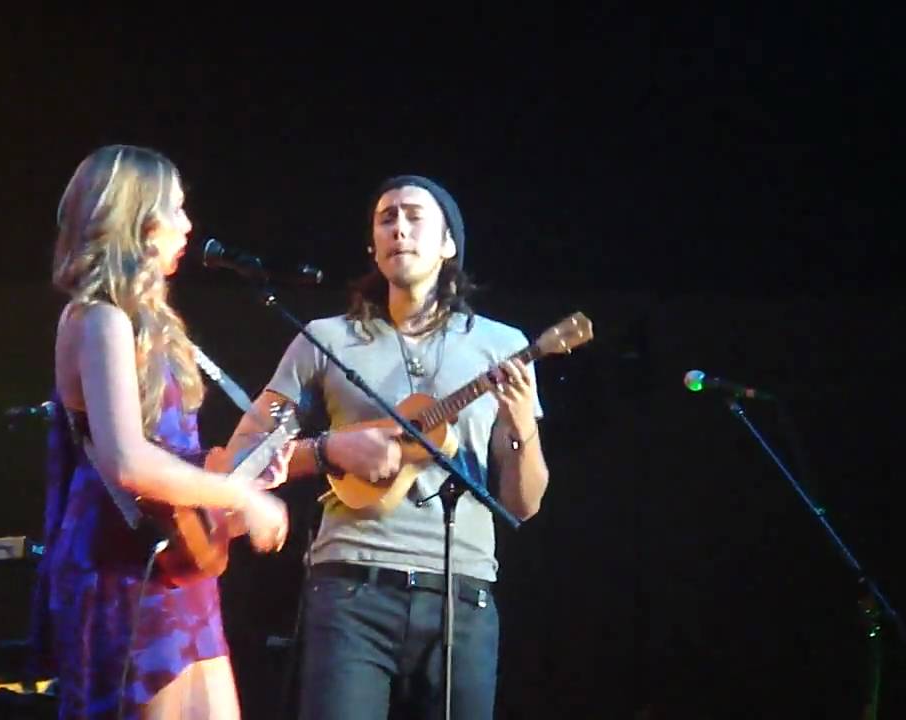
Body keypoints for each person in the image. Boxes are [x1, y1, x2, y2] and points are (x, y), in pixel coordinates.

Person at [224, 174, 550, 719]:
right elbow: (246, 455)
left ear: (448, 245)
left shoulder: (502, 346)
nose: (399, 228)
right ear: (373, 246)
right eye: (386, 218)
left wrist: (522, 424)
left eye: (415, 217)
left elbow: (524, 503)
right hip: (349, 590)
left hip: (461, 598)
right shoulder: (326, 339)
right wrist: (329, 449)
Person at [30, 144, 293, 720]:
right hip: (121, 566)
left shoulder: (153, 326)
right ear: (137, 218)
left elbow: (171, 466)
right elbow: (128, 461)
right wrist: (241, 496)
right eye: (175, 208)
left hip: (172, 565)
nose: (188, 225)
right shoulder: (97, 318)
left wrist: (239, 483)